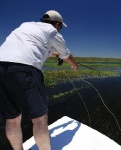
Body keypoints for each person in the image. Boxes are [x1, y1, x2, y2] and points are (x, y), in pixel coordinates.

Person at [0, 10, 78, 150]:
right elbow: (66, 54)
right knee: (39, 119)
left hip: (1, 67)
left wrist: (57, 55)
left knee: (12, 119)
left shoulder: (26, 26)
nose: (60, 29)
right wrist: (74, 65)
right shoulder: (52, 32)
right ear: (57, 24)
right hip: (25, 70)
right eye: (60, 27)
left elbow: (44, 51)